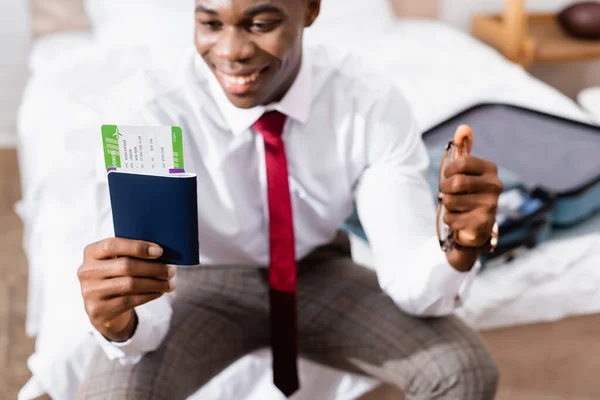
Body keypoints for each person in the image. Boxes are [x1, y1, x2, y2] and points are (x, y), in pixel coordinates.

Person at [77, 0, 503, 399]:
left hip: (317, 269)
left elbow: (411, 286)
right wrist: (120, 322)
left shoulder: (367, 101)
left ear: (311, 9)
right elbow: (145, 312)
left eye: (261, 24)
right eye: (210, 23)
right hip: (198, 282)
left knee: (462, 369)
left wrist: (461, 244)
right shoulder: (147, 114)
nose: (231, 51)